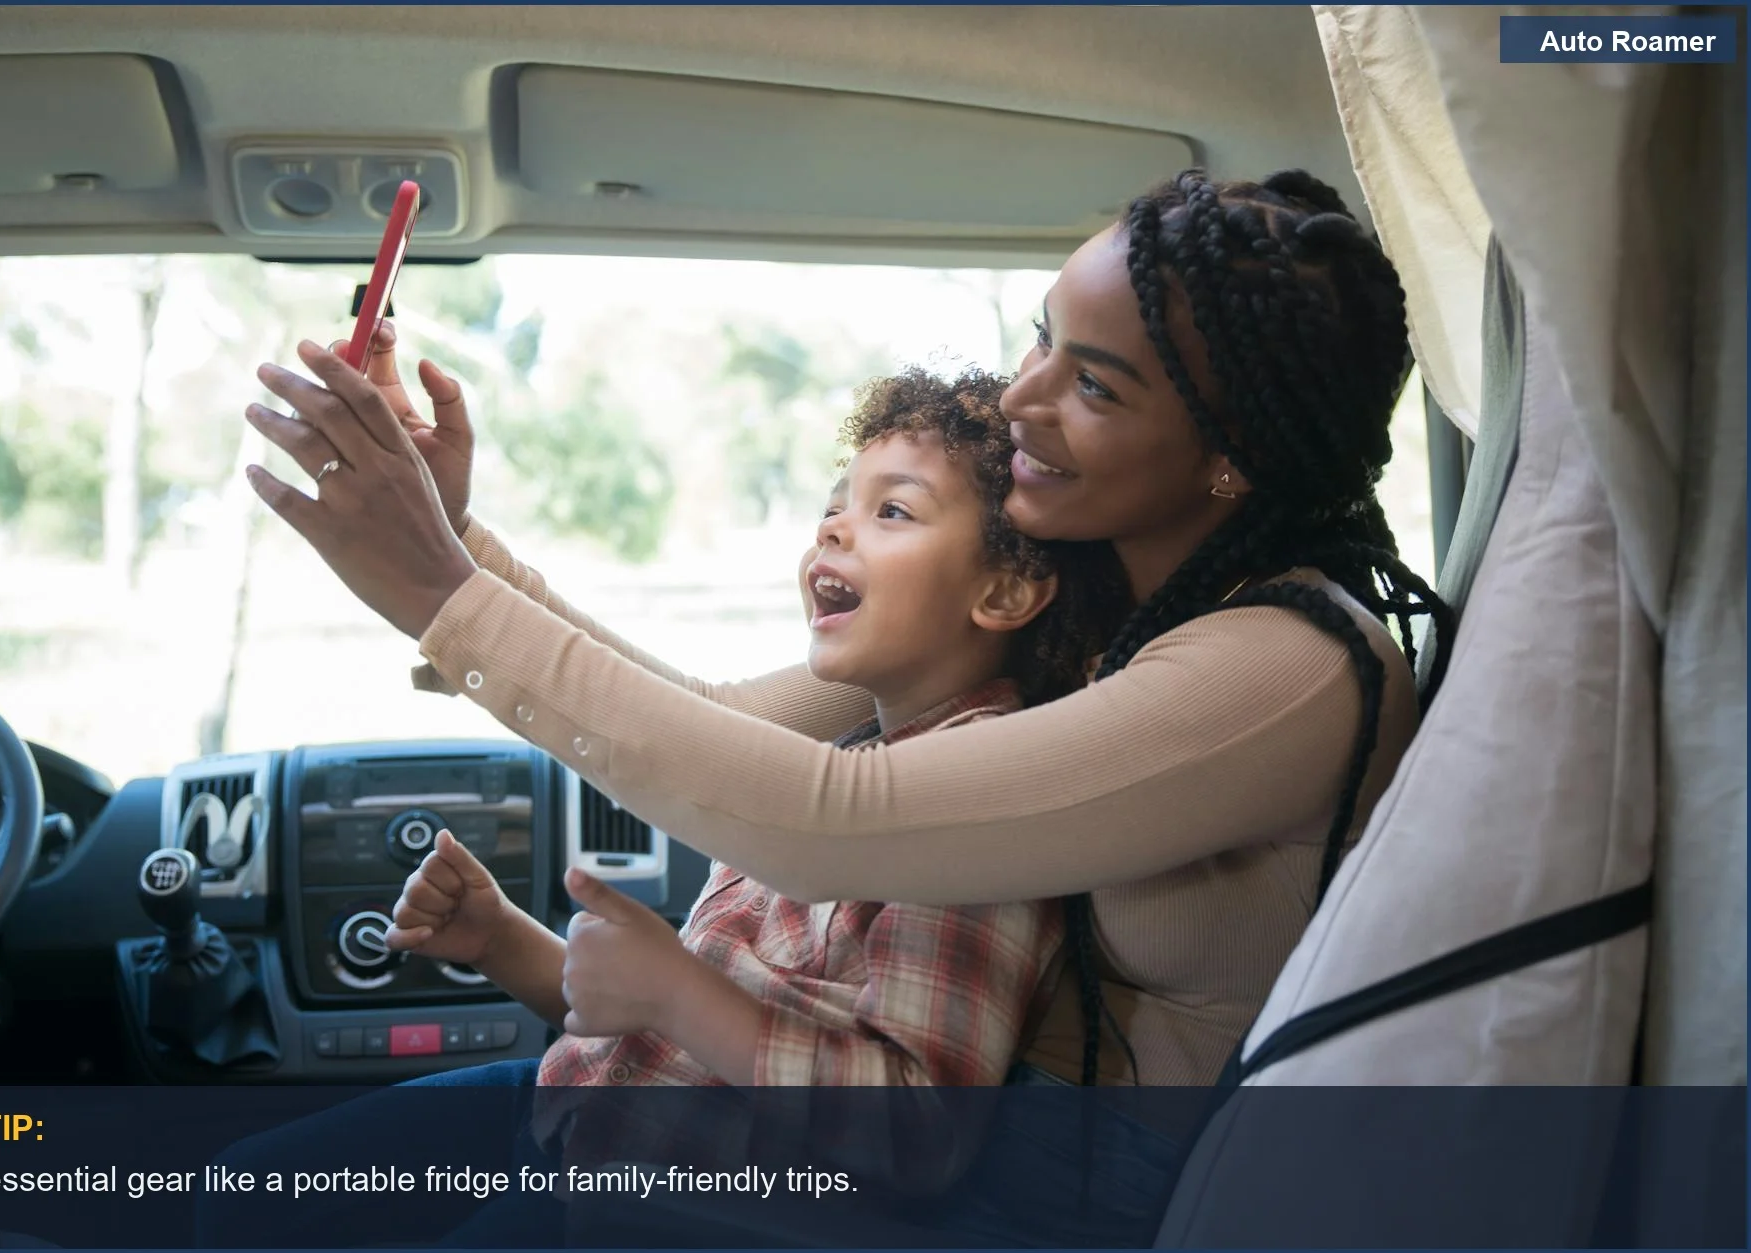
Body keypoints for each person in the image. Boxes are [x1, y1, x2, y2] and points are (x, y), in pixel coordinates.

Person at [242, 168, 1454, 1234]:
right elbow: (719, 720)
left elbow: (824, 818)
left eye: (1091, 384)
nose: (1020, 400)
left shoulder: (1277, 665)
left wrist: (435, 590)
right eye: (1040, 341)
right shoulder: (1115, 610)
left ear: (1228, 454)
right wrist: (450, 540)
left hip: (1034, 1191)